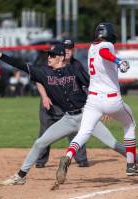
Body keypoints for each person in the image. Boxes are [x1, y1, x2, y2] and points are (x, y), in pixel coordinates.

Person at [0, 35, 138, 186]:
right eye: (48, 55)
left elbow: (95, 86)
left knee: (115, 145)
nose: (49, 57)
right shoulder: (43, 73)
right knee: (40, 142)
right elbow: (20, 65)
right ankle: (20, 176)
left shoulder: (75, 70)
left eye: (53, 55)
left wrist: (105, 108)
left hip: (88, 115)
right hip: (68, 119)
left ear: (62, 57)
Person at [56, 22, 138, 185]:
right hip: (111, 99)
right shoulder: (106, 45)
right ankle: (130, 165)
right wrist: (118, 61)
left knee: (84, 132)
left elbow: (100, 52)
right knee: (130, 124)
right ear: (109, 33)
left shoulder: (91, 48)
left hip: (93, 100)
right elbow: (104, 52)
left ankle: (67, 157)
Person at [35, 39, 89, 168]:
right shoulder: (50, 62)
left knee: (76, 131)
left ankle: (81, 159)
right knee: (45, 132)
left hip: (70, 106)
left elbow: (85, 85)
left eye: (70, 48)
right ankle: (40, 161)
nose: (68, 50)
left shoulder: (76, 65)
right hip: (50, 104)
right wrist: (44, 97)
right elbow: (38, 80)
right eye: (65, 48)